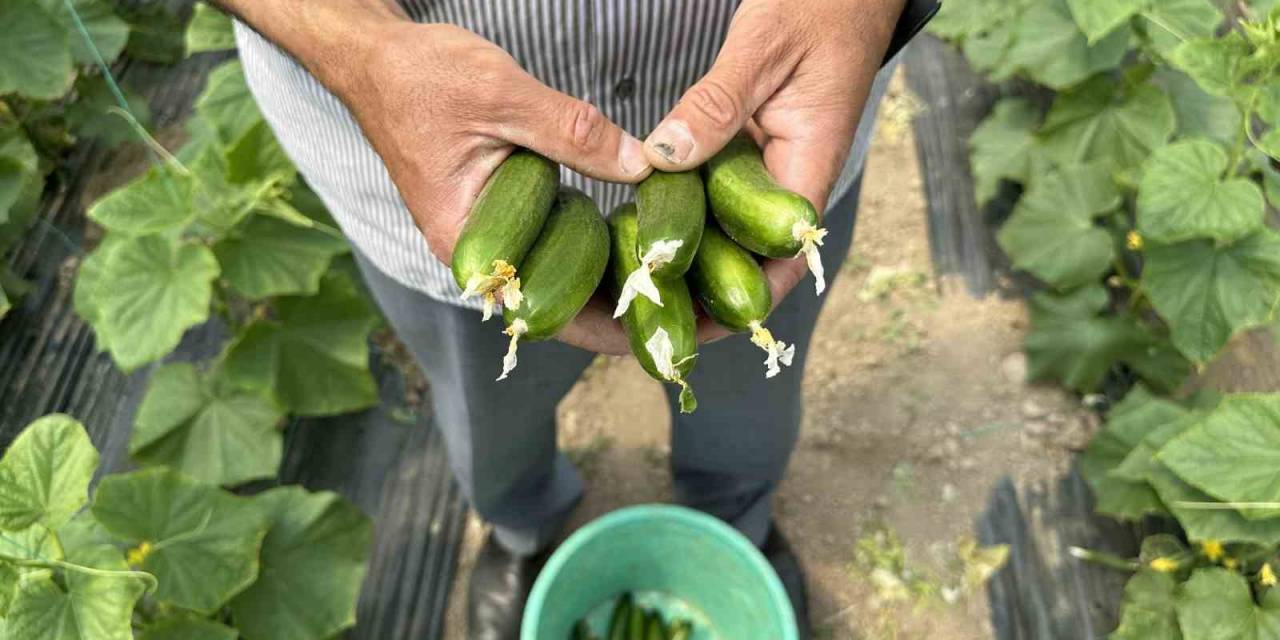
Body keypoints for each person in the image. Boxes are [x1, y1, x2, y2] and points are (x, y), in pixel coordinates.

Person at [213, 1, 939, 637]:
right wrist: (357, 46)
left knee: (747, 396)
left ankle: (735, 519)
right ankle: (522, 527)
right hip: (429, 143)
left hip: (767, 122)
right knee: (489, 415)